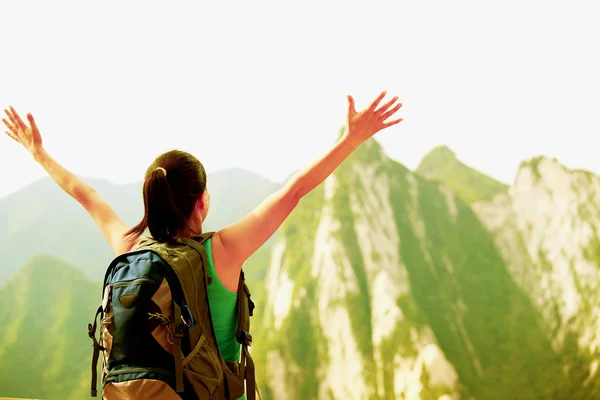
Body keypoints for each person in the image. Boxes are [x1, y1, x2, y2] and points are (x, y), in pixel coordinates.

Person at [2, 91, 403, 399]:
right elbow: (294, 190)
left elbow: (85, 194)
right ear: (202, 201)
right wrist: (352, 139)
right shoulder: (223, 251)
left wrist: (38, 153)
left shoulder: (130, 249)